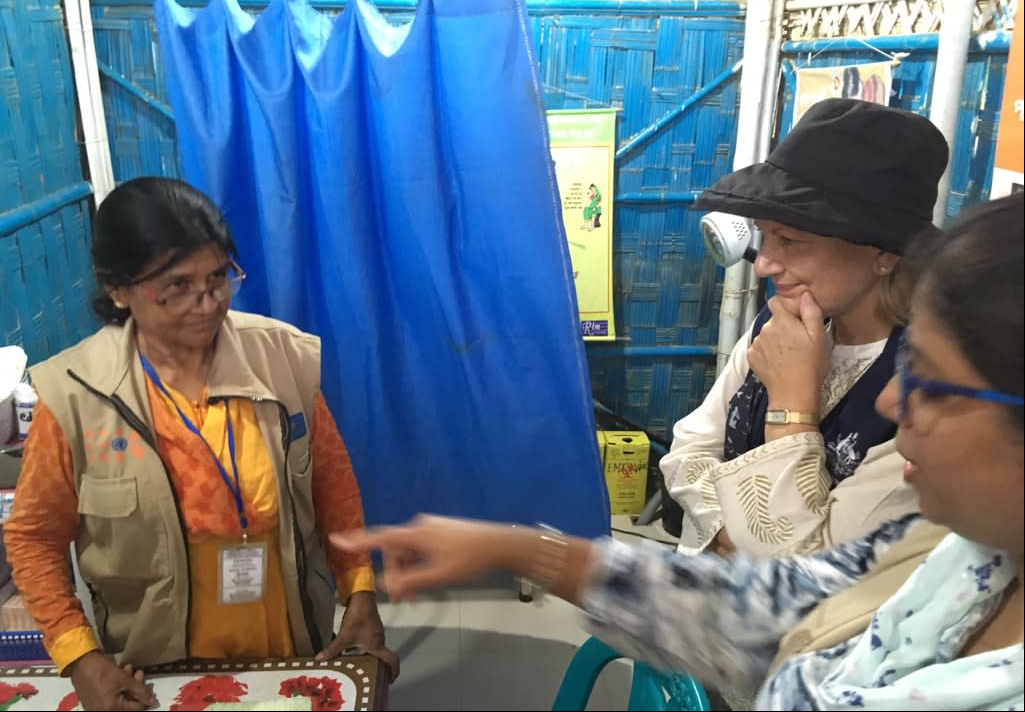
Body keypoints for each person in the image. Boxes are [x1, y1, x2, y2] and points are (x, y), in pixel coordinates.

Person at [334, 193, 1025, 710]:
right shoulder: (952, 551)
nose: (894, 401)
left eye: (931, 381)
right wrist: (517, 548)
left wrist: (790, 412)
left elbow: (775, 560)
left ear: (881, 257)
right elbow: (758, 577)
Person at [5, 177, 398, 711]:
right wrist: (79, 656)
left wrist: (360, 591)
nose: (207, 303)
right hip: (155, 671)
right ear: (117, 288)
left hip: (288, 647)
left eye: (218, 277)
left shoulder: (281, 359)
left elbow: (333, 487)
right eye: (178, 286)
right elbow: (33, 538)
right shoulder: (76, 396)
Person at [660, 98, 948, 558]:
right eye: (766, 236)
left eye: (791, 240)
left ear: (885, 254)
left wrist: (792, 407)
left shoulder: (922, 387)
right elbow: (692, 445)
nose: (764, 265)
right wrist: (723, 532)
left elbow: (811, 565)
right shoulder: (779, 325)